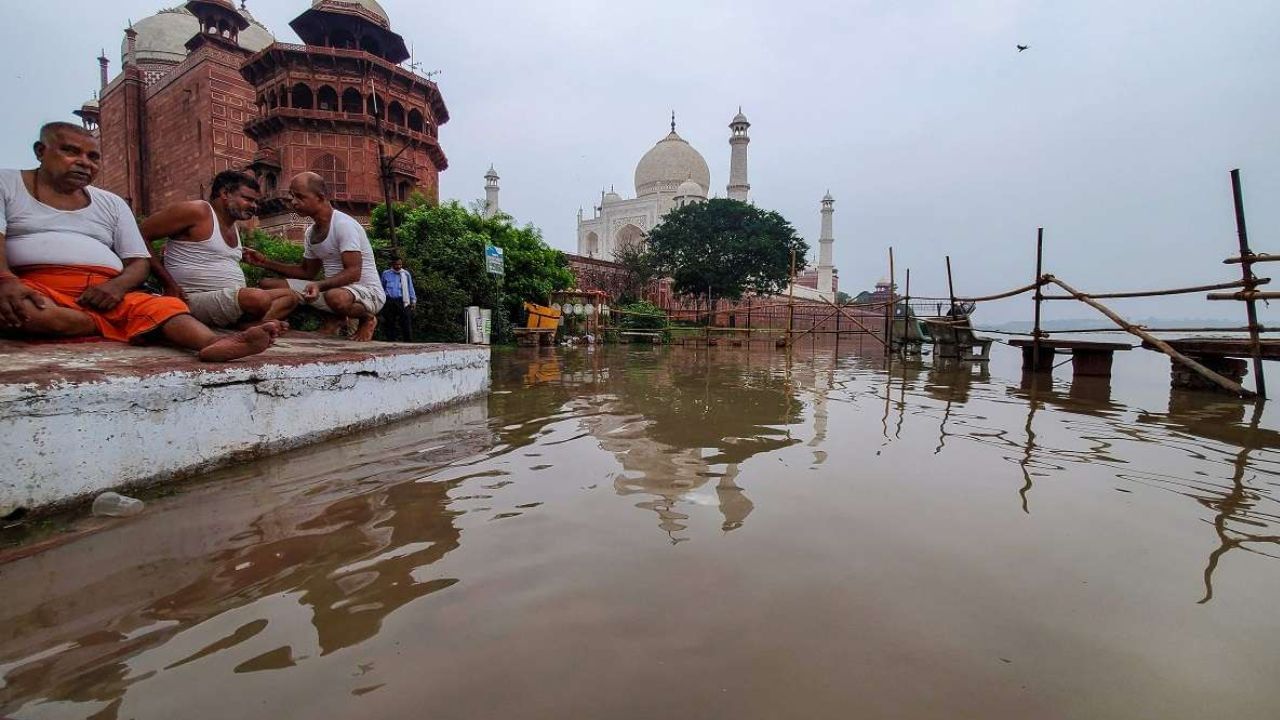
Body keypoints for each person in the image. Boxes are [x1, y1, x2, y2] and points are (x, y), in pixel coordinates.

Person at [0, 122, 279, 361]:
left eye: (93, 156)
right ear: (40, 151)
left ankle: (213, 344)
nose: (84, 162)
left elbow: (137, 261)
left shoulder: (110, 202)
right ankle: (104, 324)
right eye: (71, 151)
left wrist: (116, 286)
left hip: (108, 290)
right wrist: (6, 279)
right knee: (23, 309)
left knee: (164, 308)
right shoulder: (7, 183)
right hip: (37, 285)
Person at [142, 170, 298, 328]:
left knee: (290, 297)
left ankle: (249, 325)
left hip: (231, 302)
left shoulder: (233, 226)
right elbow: (139, 235)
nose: (254, 206)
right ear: (225, 193)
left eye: (255, 202)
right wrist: (169, 285)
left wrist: (243, 254)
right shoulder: (198, 211)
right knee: (258, 298)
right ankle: (254, 324)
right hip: (191, 300)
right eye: (248, 199)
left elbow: (208, 250)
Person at [244, 172, 384, 341]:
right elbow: (306, 272)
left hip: (367, 293)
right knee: (267, 285)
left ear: (320, 197)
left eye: (300, 197)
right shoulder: (311, 232)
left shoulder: (344, 225)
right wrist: (265, 262)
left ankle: (367, 318)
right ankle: (335, 318)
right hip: (331, 290)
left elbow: (354, 272)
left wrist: (319, 285)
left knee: (335, 297)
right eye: (292, 196)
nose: (294, 202)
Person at [379, 257, 416, 341]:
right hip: (389, 300)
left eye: (400, 264)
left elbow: (410, 287)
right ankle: (391, 341)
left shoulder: (405, 274)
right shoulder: (386, 273)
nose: (399, 266)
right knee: (389, 321)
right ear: (392, 264)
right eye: (396, 264)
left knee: (406, 321)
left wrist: (413, 300)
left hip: (403, 300)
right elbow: (382, 287)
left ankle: (408, 341)